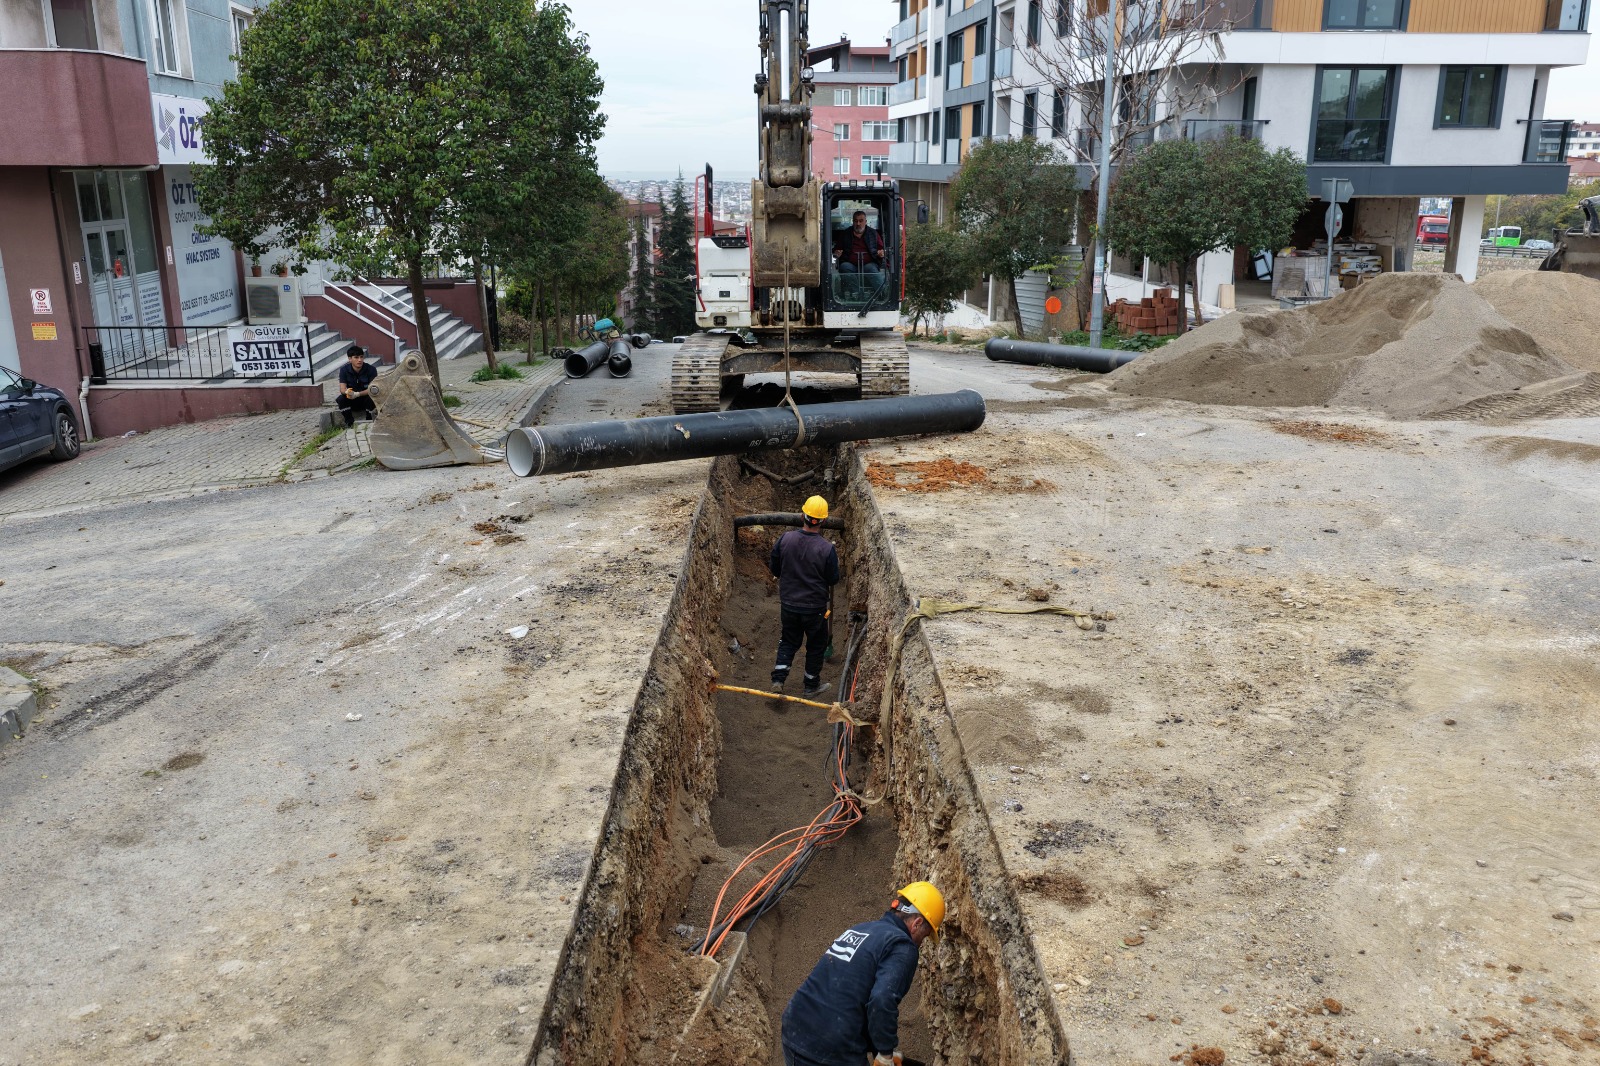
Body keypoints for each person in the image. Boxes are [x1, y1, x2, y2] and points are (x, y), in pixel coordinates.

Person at [780, 881, 945, 1066]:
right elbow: (882, 1000)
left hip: (795, 1028)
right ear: (917, 923)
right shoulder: (903, 946)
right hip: (832, 1047)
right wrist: (885, 1054)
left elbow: (851, 995)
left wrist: (882, 1050)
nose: (921, 943)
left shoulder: (860, 930)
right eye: (924, 936)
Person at [769, 495, 840, 697]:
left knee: (789, 640)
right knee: (816, 645)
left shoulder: (785, 539)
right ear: (823, 521)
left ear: (803, 515)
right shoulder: (827, 549)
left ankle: (778, 680)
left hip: (789, 604)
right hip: (815, 608)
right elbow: (833, 579)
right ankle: (810, 686)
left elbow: (775, 567)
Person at [834, 210, 886, 277]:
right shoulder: (845, 234)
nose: (858, 223)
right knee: (844, 267)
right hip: (849, 264)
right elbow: (837, 249)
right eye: (856, 221)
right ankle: (853, 288)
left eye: (861, 221)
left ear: (865, 222)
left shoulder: (874, 234)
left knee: (870, 268)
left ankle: (883, 288)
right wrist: (837, 253)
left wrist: (881, 253)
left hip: (870, 264)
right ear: (853, 222)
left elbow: (882, 249)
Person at [336, 345, 378, 426]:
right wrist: (348, 392)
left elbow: (372, 389)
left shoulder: (371, 369)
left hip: (366, 399)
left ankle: (369, 421)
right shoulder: (344, 370)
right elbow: (342, 388)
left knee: (373, 397)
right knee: (341, 399)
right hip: (352, 399)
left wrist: (358, 394)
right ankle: (349, 422)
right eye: (356, 357)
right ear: (350, 359)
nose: (359, 360)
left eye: (361, 357)